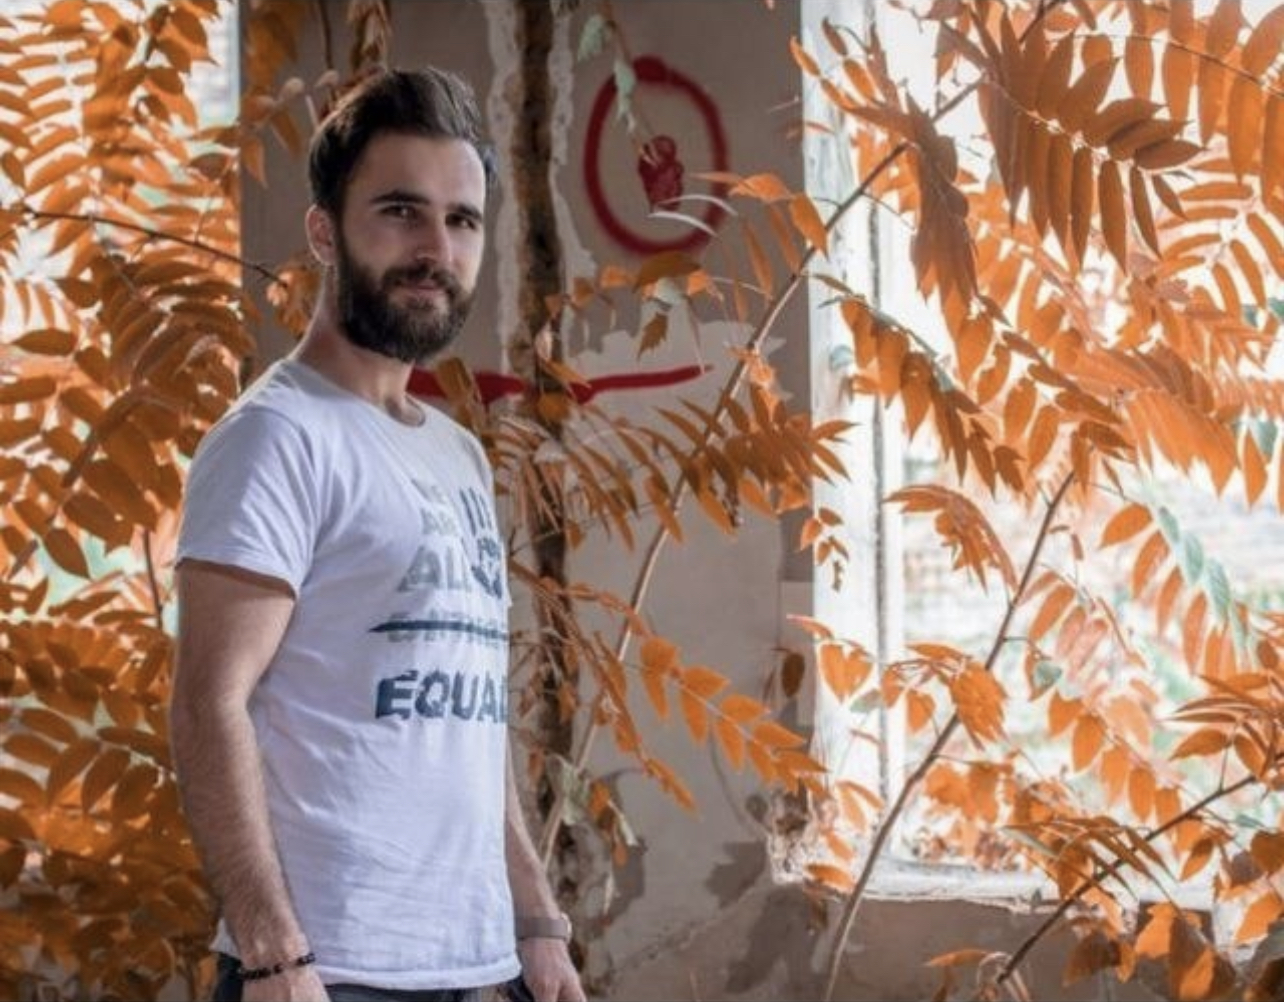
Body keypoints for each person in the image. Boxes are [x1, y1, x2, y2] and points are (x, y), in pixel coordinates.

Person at [169, 67, 586, 1002]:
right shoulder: (275, 437)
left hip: (470, 964)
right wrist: (275, 955)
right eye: (401, 211)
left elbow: (467, 719)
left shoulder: (453, 453)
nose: (436, 249)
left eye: (461, 220)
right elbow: (205, 706)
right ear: (324, 232)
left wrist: (534, 919)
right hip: (328, 971)